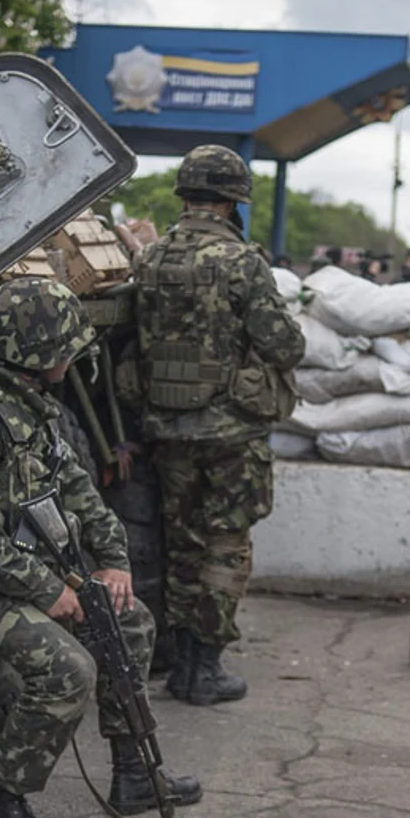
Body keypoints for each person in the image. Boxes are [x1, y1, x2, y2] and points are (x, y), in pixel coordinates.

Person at [0, 278, 202, 818]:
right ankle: (2, 801)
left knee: (129, 621)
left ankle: (135, 775)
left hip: (12, 573)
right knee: (68, 669)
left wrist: (113, 563)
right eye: (65, 345)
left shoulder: (34, 411)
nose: (73, 356)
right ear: (40, 354)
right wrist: (43, 589)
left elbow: (83, 497)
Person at [133, 145, 305, 704]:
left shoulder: (151, 259)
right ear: (234, 204)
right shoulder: (241, 263)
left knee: (181, 546)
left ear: (184, 195)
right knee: (225, 545)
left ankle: (179, 661)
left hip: (167, 430)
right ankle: (204, 668)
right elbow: (285, 344)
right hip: (231, 434)